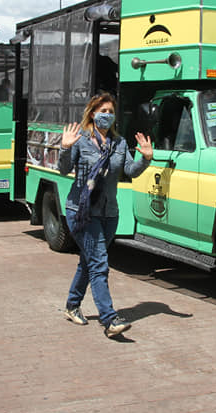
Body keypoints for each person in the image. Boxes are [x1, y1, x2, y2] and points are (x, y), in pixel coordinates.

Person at [58, 92, 153, 338]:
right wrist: (65, 148)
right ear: (92, 114)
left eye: (111, 112)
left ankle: (72, 305)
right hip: (81, 211)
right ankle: (109, 319)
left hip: (109, 213)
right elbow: (63, 169)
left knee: (89, 261)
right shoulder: (81, 140)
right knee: (99, 262)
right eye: (103, 111)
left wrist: (145, 159)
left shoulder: (119, 143)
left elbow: (130, 170)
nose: (107, 116)